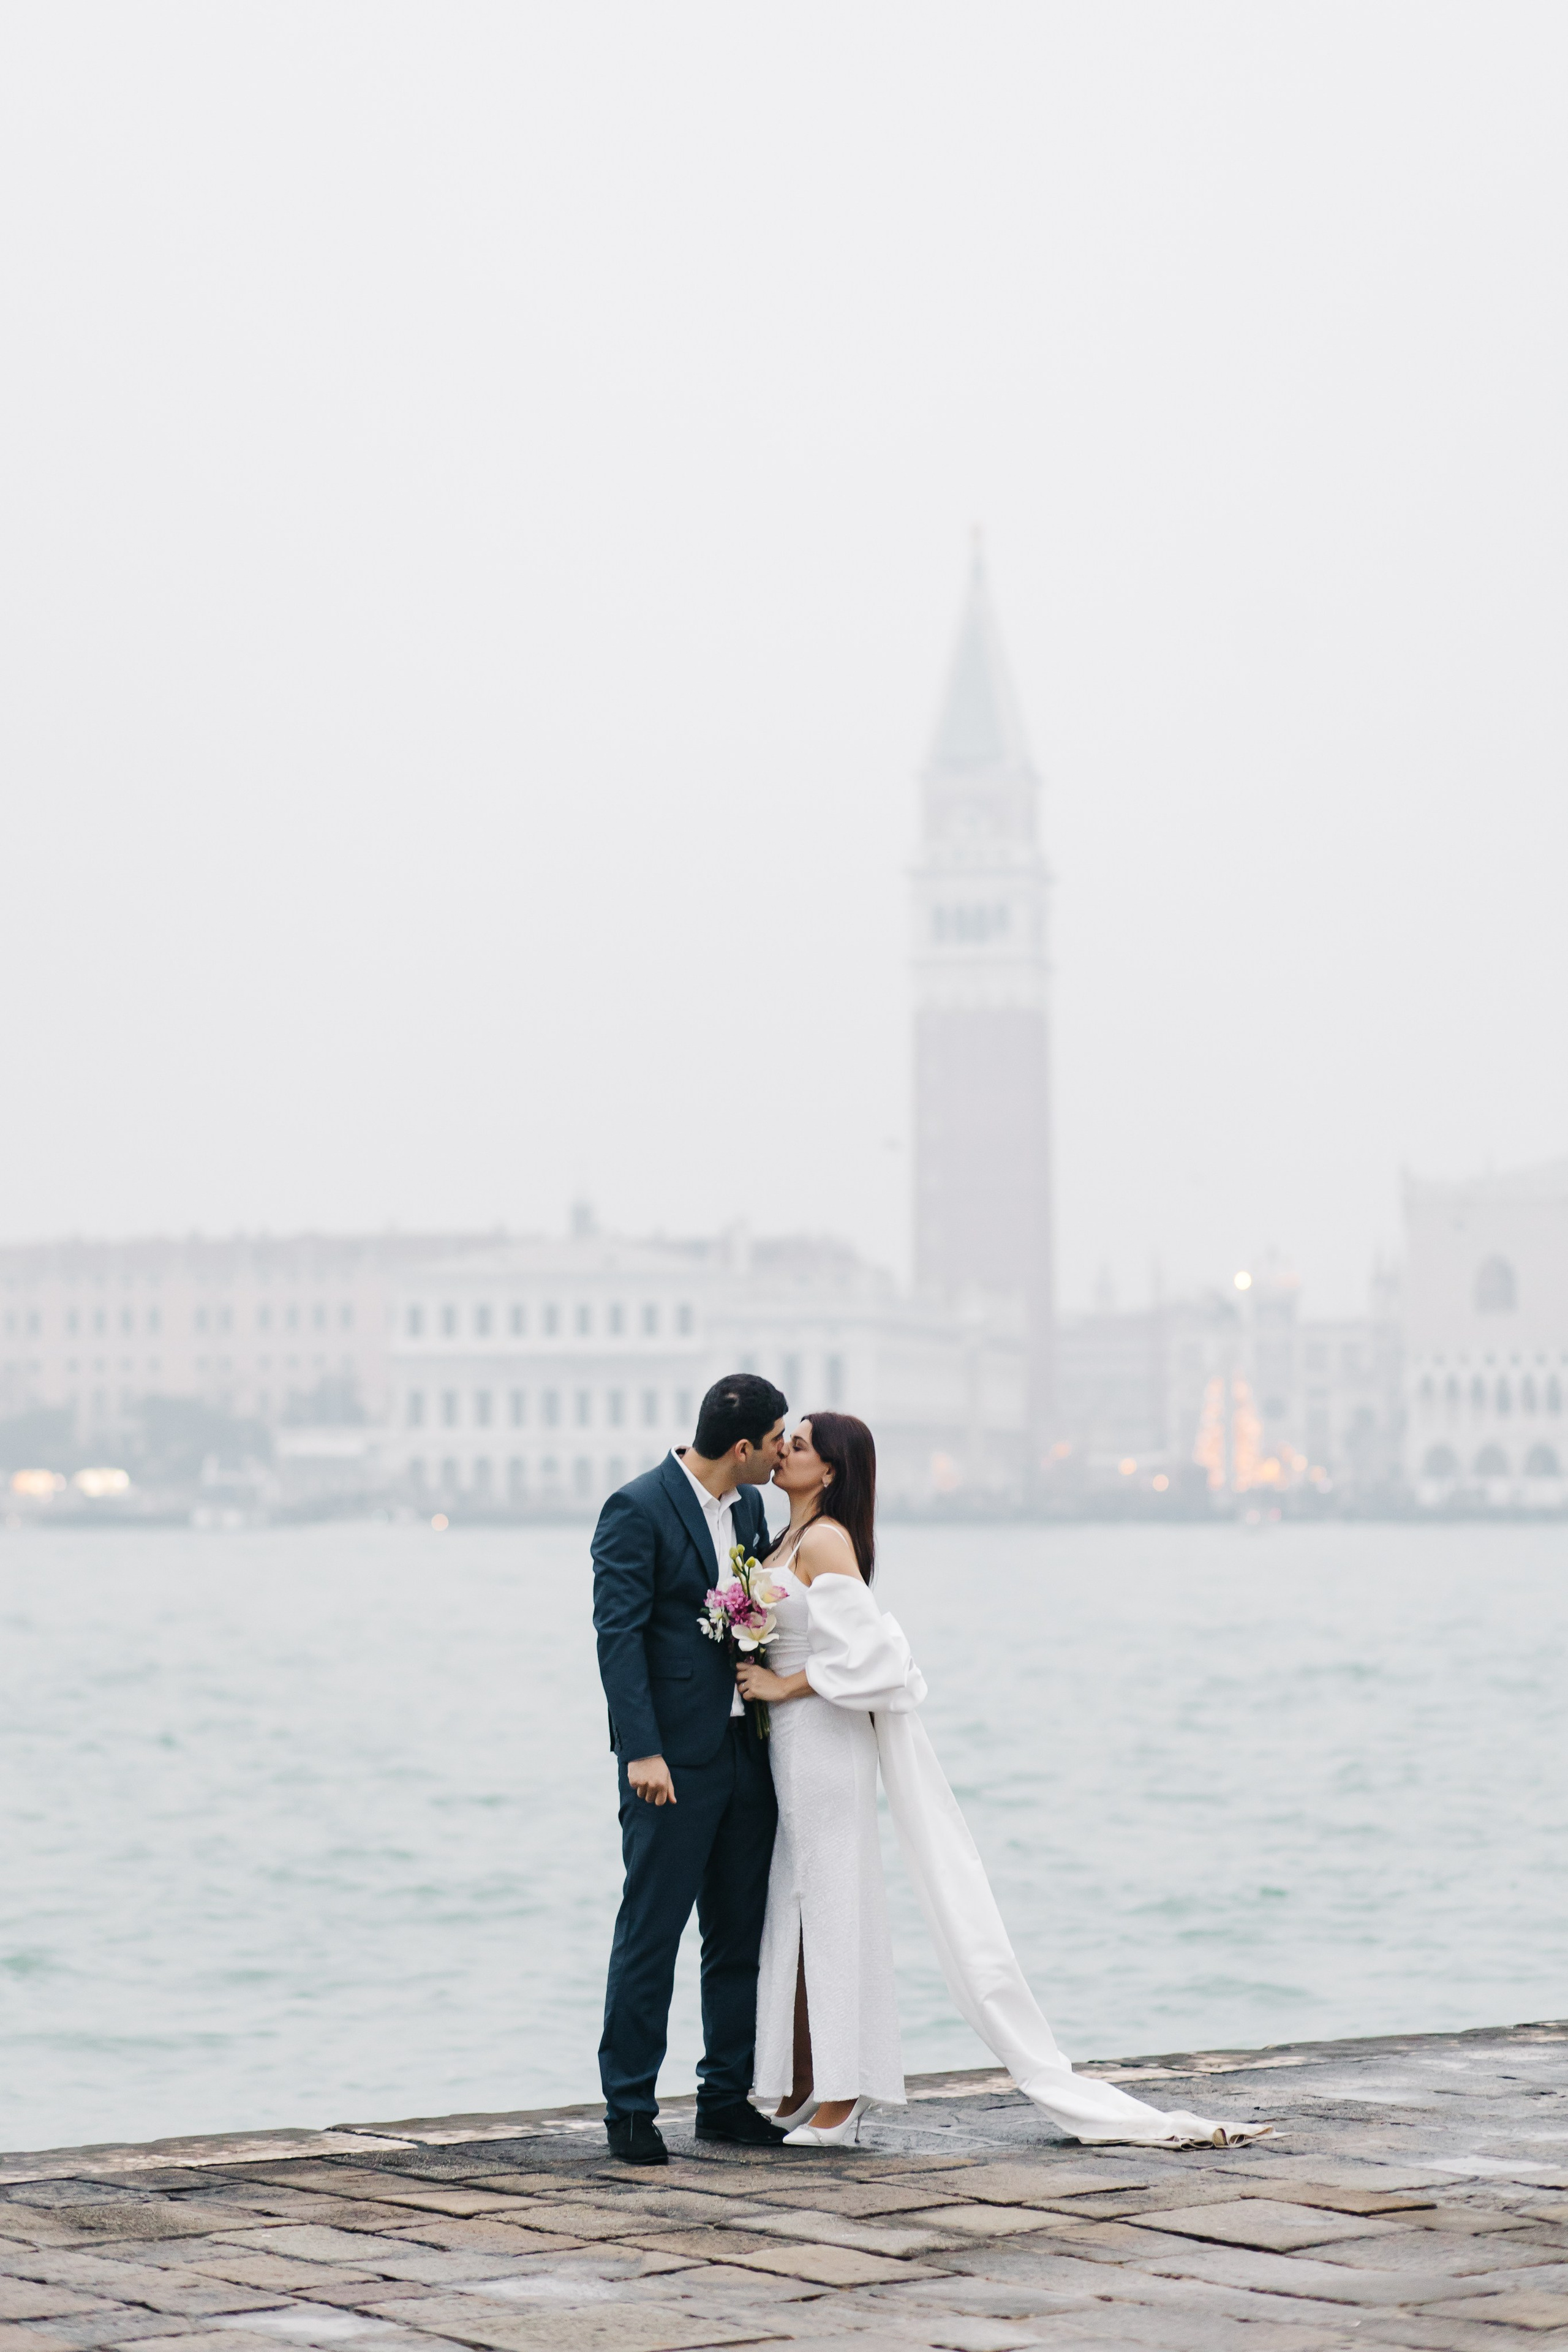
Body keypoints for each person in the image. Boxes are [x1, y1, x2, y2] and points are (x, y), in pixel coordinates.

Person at [736, 1412, 1270, 2150]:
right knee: (796, 1912)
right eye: (785, 1440)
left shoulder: (826, 1539)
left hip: (823, 1747)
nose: (783, 1450)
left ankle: (843, 2099)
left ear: (829, 1471)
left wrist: (781, 1686)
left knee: (833, 1914)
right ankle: (806, 2085)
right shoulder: (785, 1539)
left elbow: (880, 1661)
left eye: (798, 1445)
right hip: (790, 1753)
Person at [591, 1372, 790, 2165]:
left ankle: (724, 2100)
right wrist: (641, 1750)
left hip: (745, 1751)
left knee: (736, 1937)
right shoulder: (635, 1509)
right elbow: (618, 1637)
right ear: (741, 1448)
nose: (780, 1457)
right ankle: (629, 2108)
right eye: (775, 1444)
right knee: (652, 1933)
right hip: (668, 1762)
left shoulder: (749, 1507)